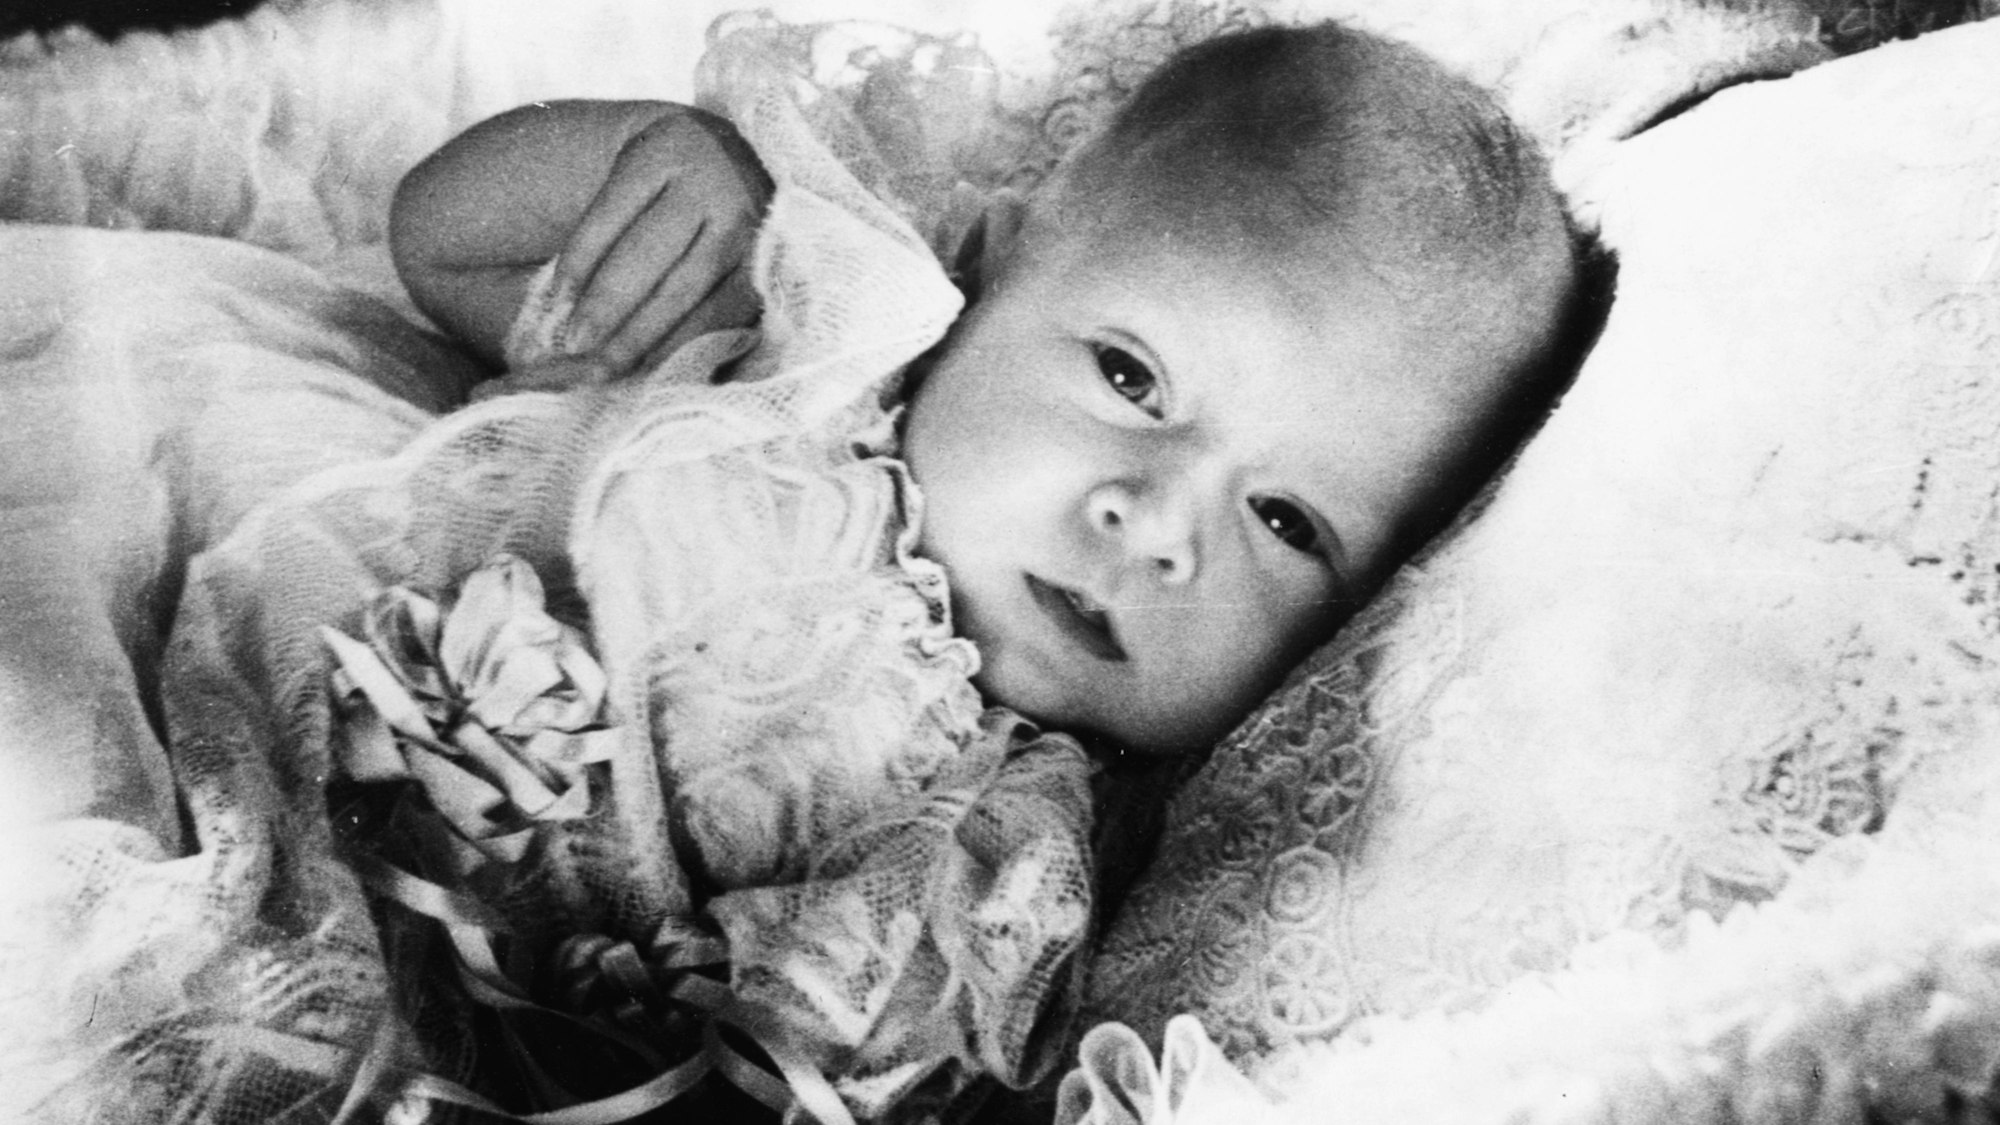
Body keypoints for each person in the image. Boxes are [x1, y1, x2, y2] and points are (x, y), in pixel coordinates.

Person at [389, 21, 1580, 757]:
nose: (1156, 527)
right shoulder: (797, 368)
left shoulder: (1048, 867)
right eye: (1130, 375)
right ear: (995, 266)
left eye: (1287, 522)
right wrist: (670, 174)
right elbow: (442, 243)